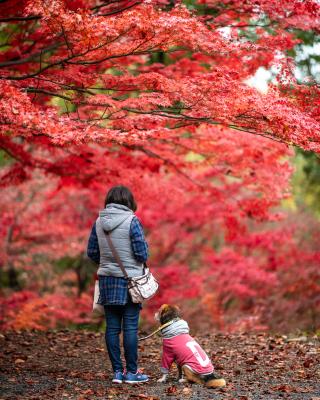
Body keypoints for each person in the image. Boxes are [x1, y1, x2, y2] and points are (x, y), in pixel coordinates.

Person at [87, 185, 149, 384]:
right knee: (130, 327)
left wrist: (107, 264)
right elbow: (142, 253)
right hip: (130, 281)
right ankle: (132, 373)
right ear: (129, 202)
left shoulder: (98, 222)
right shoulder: (132, 220)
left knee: (112, 328)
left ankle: (117, 372)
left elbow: (92, 252)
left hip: (107, 280)